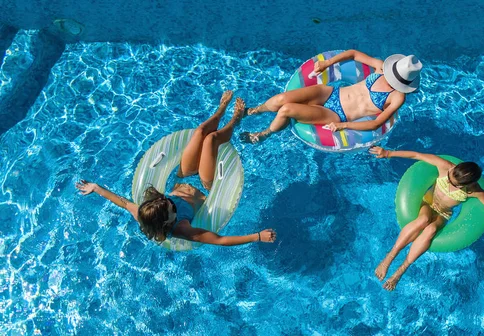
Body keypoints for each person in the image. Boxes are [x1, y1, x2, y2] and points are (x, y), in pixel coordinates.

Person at [76, 91, 276, 246]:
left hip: (184, 175)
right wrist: (257, 236)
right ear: (167, 222)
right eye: (172, 207)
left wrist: (95, 188)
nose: (170, 200)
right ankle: (234, 121)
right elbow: (219, 240)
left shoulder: (145, 211)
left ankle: (221, 109)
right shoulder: (181, 229)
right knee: (211, 140)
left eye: (166, 200)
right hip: (206, 185)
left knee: (199, 133)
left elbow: (121, 201)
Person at [369, 146, 484, 291]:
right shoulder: (446, 167)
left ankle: (401, 270)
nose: (448, 179)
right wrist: (387, 153)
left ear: (465, 186)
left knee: (432, 229)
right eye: (450, 175)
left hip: (443, 214)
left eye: (453, 182)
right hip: (427, 202)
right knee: (423, 220)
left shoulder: (475, 190)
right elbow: (416, 155)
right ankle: (390, 257)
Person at [241, 49, 422, 143]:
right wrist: (327, 63)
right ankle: (252, 111)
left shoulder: (398, 97)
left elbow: (376, 123)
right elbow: (354, 53)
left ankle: (263, 135)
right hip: (330, 93)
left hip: (338, 114)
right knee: (281, 99)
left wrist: (343, 125)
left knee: (286, 110)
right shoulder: (380, 67)